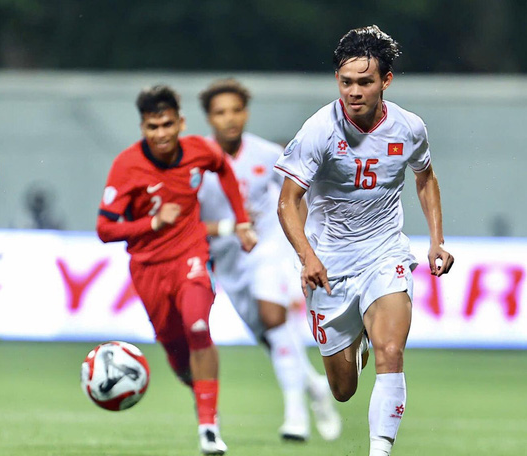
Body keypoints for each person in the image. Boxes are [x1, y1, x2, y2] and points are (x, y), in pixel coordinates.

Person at [275, 25, 454, 456]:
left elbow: (425, 178)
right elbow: (287, 203)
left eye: (365, 81)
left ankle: (380, 450)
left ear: (385, 81)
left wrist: (437, 241)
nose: (354, 91)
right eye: (346, 81)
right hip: (328, 266)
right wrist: (308, 257)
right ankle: (354, 344)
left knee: (392, 351)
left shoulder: (409, 128)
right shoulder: (320, 129)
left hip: (384, 252)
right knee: (342, 390)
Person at [97, 85, 256, 455]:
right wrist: (151, 224)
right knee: (177, 352)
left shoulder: (202, 150)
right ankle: (199, 389)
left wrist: (242, 221)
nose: (162, 133)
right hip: (149, 268)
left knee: (198, 326)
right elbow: (105, 229)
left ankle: (208, 429)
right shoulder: (126, 166)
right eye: (153, 127)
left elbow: (225, 170)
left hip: (191, 253)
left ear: (181, 122)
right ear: (143, 128)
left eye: (167, 124)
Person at [197, 79, 341, 442]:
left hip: (266, 249)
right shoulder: (195, 165)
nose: (229, 119)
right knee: (271, 336)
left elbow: (296, 195)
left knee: (273, 317)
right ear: (209, 118)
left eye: (235, 110)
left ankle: (296, 416)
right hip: (226, 260)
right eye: (220, 112)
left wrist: (305, 248)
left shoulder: (266, 153)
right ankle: (316, 388)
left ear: (245, 113)